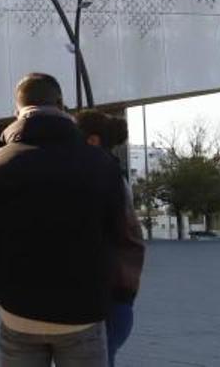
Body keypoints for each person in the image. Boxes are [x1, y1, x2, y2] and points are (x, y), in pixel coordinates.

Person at [0, 74, 140, 367]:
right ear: (61, 105)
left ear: (17, 111)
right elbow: (126, 238)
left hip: (18, 312)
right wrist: (117, 298)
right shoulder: (102, 166)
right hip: (85, 312)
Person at [76, 111, 145, 366]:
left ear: (93, 141)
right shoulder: (112, 175)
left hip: (108, 297)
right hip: (117, 297)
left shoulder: (104, 179)